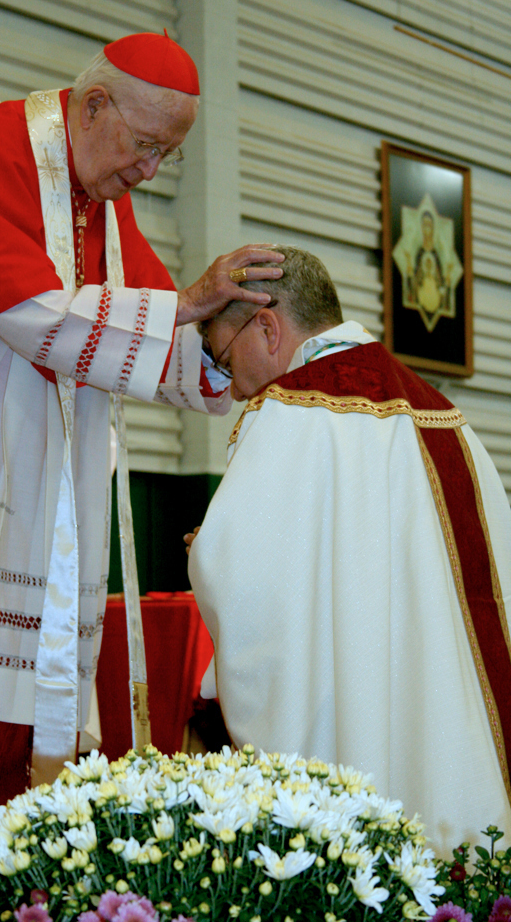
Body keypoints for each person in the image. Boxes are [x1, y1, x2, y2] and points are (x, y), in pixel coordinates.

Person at [0, 32, 284, 920]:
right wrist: (187, 307)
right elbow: (38, 321)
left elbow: (146, 343)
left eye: (170, 153)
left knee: (1, 778)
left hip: (22, 531)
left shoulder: (94, 197)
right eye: (146, 145)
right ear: (92, 105)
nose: (151, 170)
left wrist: (232, 360)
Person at [187, 245, 511, 858]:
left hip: (349, 720)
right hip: (446, 721)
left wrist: (206, 549)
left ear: (267, 327)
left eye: (226, 361)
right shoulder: (447, 417)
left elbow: (246, 582)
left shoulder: (285, 413)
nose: (231, 390)